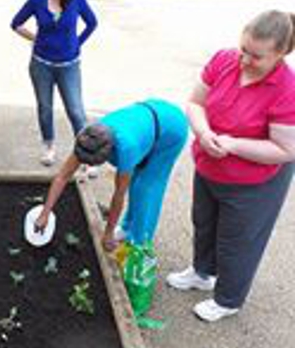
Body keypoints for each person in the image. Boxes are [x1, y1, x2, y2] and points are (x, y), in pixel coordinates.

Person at [166, 10, 295, 322]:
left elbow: (285, 149)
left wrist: (234, 144)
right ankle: (202, 273)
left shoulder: (286, 90)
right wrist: (204, 132)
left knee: (238, 241)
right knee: (204, 222)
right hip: (211, 166)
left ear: (281, 54)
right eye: (244, 50)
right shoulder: (224, 60)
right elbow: (196, 103)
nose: (245, 60)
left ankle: (228, 299)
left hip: (254, 182)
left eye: (257, 56)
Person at [35, 99, 188, 251]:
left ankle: (139, 242)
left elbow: (119, 194)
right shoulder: (87, 138)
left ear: (108, 154)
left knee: (145, 186)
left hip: (171, 129)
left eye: (92, 163)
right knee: (138, 181)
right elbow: (62, 176)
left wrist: (108, 233)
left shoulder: (127, 148)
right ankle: (127, 228)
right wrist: (45, 212)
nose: (87, 166)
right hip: (149, 116)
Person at [11, 0, 97, 167]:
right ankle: (49, 146)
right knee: (45, 108)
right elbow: (16, 24)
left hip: (69, 66)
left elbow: (92, 23)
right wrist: (36, 39)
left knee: (76, 111)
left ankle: (86, 155)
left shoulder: (77, 2)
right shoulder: (36, 2)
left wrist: (77, 43)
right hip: (41, 65)